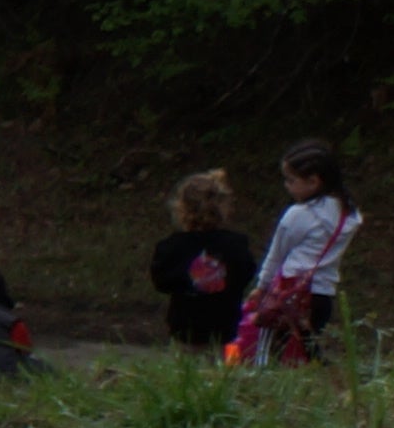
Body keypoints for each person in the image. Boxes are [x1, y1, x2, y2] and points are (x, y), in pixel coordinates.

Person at [236, 141, 355, 365]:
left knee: (269, 351)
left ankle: (263, 388)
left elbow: (277, 255)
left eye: (291, 180)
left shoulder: (298, 215)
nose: (287, 186)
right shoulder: (349, 215)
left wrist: (261, 288)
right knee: (307, 348)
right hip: (322, 294)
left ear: (313, 182)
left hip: (288, 292)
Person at [149, 172, 255, 350]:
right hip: (225, 326)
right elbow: (246, 274)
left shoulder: (171, 247)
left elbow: (162, 283)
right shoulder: (236, 244)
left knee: (185, 373)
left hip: (185, 328)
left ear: (180, 209)